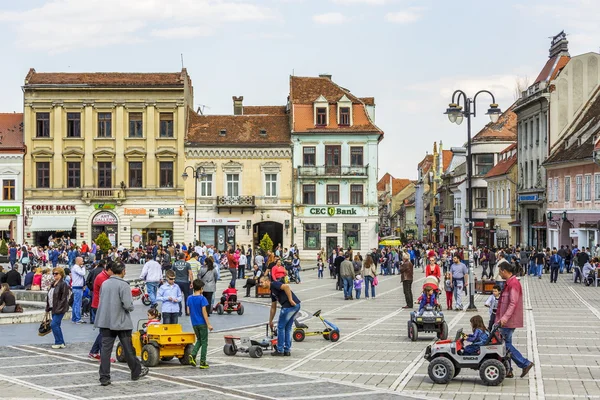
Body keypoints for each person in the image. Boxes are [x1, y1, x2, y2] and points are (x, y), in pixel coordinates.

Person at [95, 262, 148, 386]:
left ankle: (104, 377)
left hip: (106, 321)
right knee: (128, 348)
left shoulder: (105, 283)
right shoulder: (123, 285)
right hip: (121, 322)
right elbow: (128, 305)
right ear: (122, 271)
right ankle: (135, 372)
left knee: (105, 350)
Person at [496, 261, 534, 379]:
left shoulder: (513, 284)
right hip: (505, 320)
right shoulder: (509, 283)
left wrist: (504, 318)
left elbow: (513, 303)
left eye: (499, 271)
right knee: (506, 344)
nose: (499, 274)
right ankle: (509, 370)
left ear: (504, 271)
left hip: (508, 321)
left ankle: (524, 363)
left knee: (504, 345)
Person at [260, 275, 301, 356]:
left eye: (262, 282)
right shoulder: (272, 292)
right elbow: (273, 307)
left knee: (280, 327)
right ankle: (287, 350)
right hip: (295, 306)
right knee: (287, 328)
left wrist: (290, 299)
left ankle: (280, 350)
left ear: (267, 281)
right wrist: (270, 321)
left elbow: (286, 287)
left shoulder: (274, 284)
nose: (260, 284)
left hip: (289, 306)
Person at [88, 261, 114, 361]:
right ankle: (104, 356)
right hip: (100, 305)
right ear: (110, 270)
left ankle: (94, 352)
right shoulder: (102, 278)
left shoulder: (105, 276)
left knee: (103, 331)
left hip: (99, 304)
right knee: (104, 332)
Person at [187, 279, 213, 369]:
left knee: (199, 340)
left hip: (194, 323)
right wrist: (208, 324)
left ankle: (193, 355)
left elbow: (188, 311)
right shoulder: (202, 298)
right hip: (202, 323)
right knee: (204, 342)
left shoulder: (189, 298)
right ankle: (202, 361)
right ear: (201, 288)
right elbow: (204, 312)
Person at [46, 267, 71, 349]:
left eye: (56, 273)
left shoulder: (63, 284)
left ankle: (59, 342)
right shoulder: (53, 284)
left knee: (54, 324)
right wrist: (48, 307)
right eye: (53, 273)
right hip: (53, 307)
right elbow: (49, 296)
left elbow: (63, 298)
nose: (54, 275)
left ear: (61, 274)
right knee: (56, 325)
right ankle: (61, 342)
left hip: (59, 308)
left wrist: (58, 309)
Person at [71, 257, 86, 324]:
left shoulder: (76, 267)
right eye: (82, 261)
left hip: (77, 287)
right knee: (78, 303)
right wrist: (83, 267)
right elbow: (83, 273)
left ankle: (74, 318)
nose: (83, 262)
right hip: (77, 287)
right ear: (78, 261)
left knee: (75, 303)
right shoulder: (76, 267)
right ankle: (77, 319)